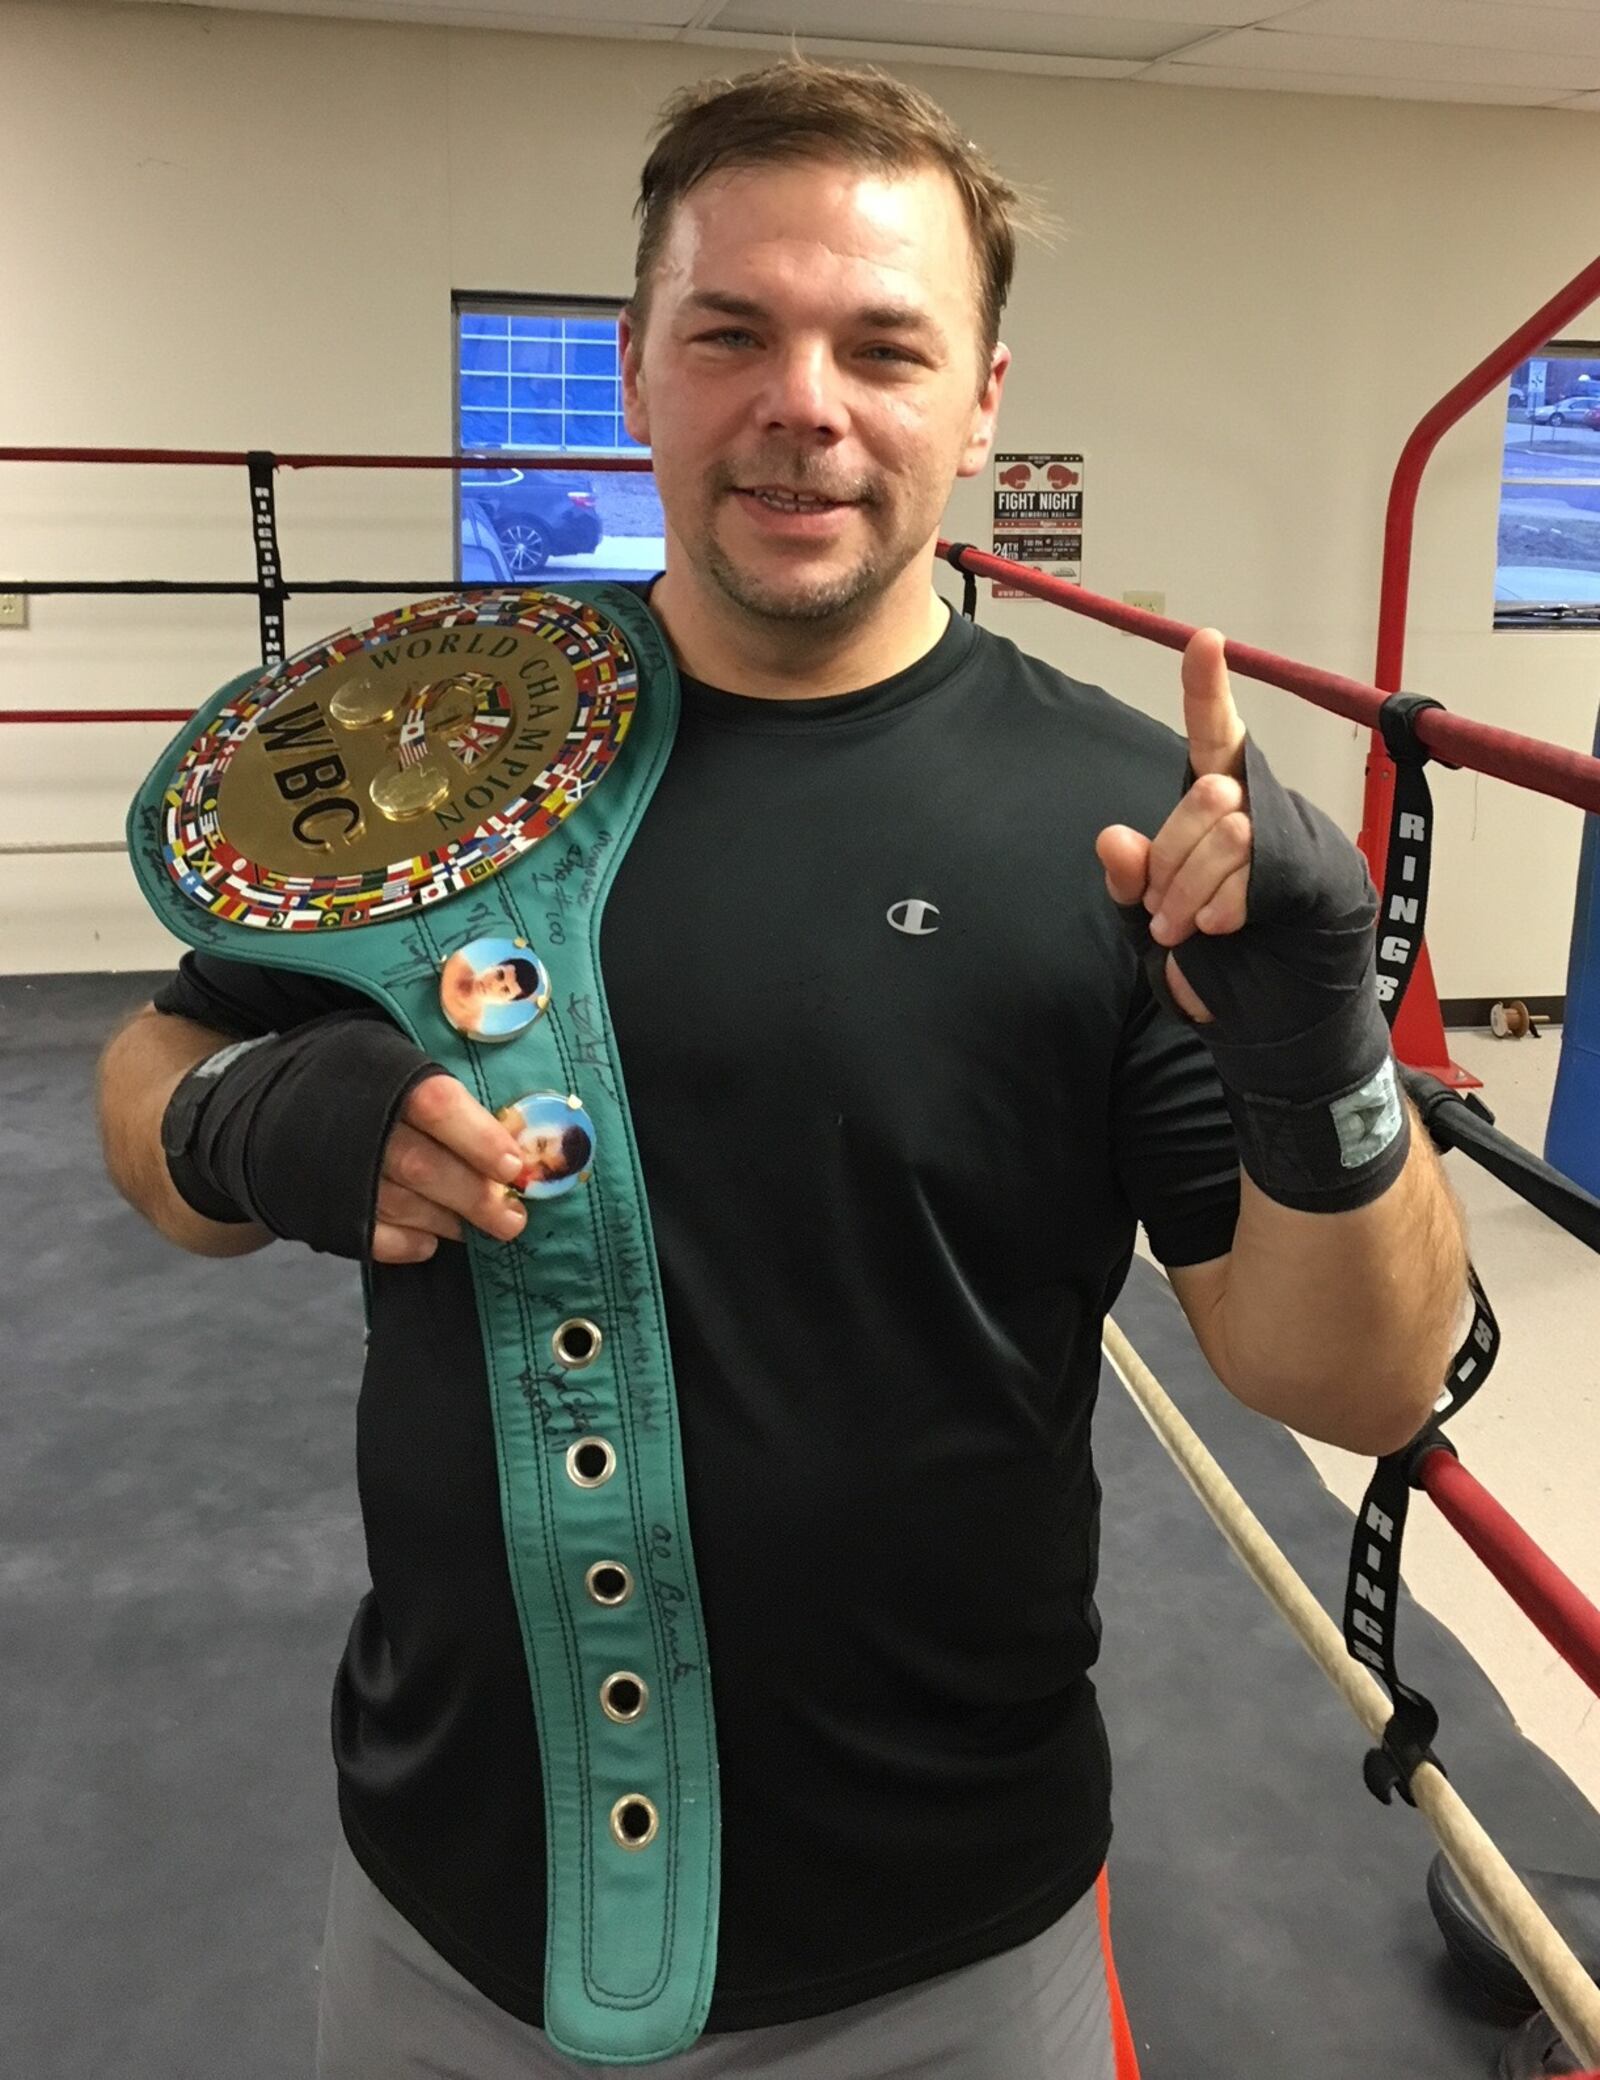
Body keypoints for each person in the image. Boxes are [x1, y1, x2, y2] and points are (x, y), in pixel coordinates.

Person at [96, 57, 1470, 2080]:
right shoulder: (440, 741)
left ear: (979, 399)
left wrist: (1313, 1038)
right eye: (728, 332)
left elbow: (1349, 1374)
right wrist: (239, 1120)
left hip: (939, 1950)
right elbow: (150, 1079)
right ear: (637, 373)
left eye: (881, 346)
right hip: (444, 1913)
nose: (800, 404)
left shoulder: (1106, 818)